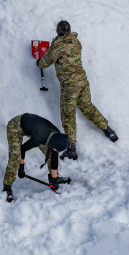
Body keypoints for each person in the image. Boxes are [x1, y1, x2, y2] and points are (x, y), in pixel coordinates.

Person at [37, 20, 118, 160]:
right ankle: (108, 130)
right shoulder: (76, 42)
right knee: (87, 107)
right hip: (83, 81)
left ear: (57, 31)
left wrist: (39, 61)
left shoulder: (57, 46)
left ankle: (71, 148)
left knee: (68, 115)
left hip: (70, 85)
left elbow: (45, 62)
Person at [3, 113, 69, 202]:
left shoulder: (57, 134)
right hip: (16, 125)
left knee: (50, 154)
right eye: (57, 150)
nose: (57, 152)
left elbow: (53, 155)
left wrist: (54, 179)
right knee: (15, 156)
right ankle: (7, 187)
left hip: (34, 126)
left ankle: (53, 178)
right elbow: (22, 148)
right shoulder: (39, 138)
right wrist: (21, 167)